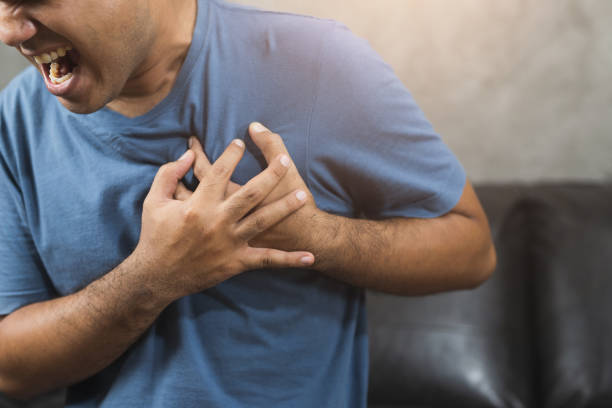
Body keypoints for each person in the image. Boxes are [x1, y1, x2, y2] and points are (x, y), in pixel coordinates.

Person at [0, 0, 496, 406]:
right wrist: (153, 277)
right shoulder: (16, 119)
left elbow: (470, 249)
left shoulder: (315, 60)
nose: (9, 30)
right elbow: (11, 370)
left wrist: (316, 237)